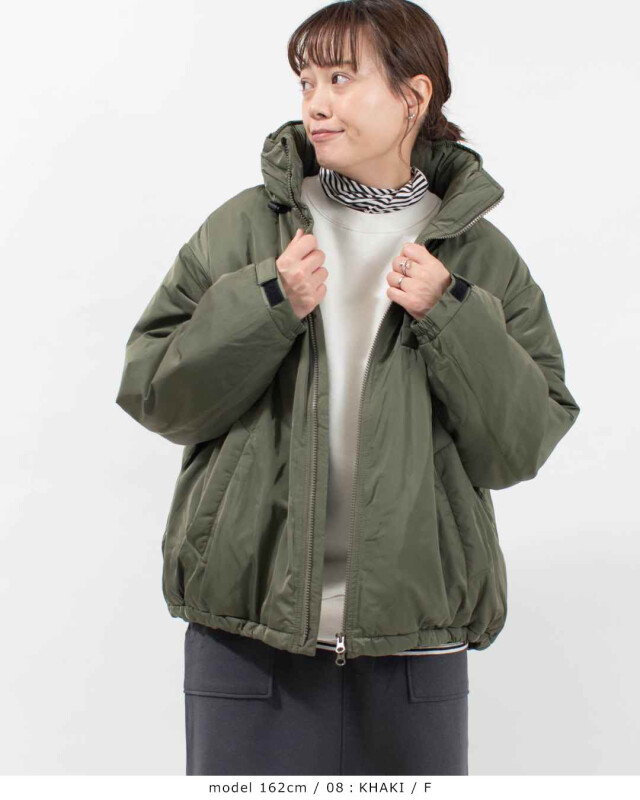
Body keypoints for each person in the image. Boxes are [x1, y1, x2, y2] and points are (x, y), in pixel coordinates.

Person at [115, 0, 580, 777]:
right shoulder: (245, 230)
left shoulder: (479, 258)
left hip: (415, 645)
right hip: (247, 637)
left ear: (413, 95)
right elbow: (155, 395)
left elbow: (521, 445)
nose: (316, 103)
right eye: (306, 82)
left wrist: (451, 313)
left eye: (340, 77)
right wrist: (267, 302)